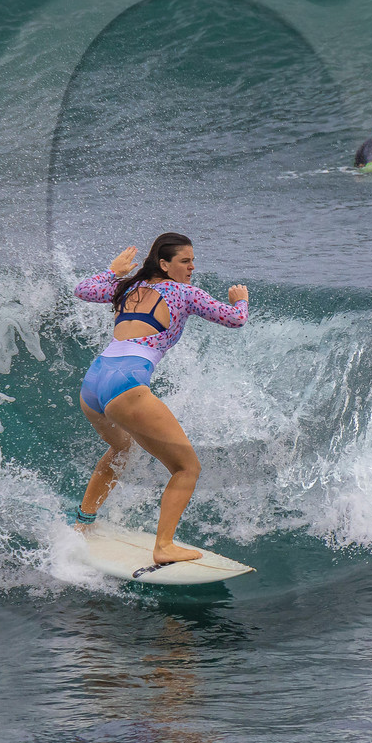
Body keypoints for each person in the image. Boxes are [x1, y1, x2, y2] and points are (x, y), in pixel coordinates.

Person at [71, 233, 249, 565]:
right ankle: (164, 546)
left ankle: (83, 523)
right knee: (187, 467)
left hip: (94, 380)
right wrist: (240, 299)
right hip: (126, 381)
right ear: (165, 264)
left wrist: (112, 272)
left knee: (121, 449)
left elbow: (82, 289)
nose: (192, 267)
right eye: (185, 261)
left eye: (193, 260)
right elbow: (235, 319)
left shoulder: (126, 287)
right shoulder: (183, 292)